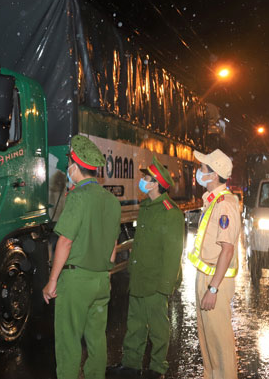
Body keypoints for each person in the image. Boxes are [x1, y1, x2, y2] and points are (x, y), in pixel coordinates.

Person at [43, 135, 122, 379]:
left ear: (75, 167)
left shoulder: (77, 197)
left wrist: (52, 281)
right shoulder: (111, 201)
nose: (68, 169)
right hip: (100, 280)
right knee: (97, 339)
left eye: (69, 165)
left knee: (69, 342)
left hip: (76, 282)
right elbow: (113, 243)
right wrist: (107, 273)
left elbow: (65, 241)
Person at [108, 156, 184, 379]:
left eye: (146, 178)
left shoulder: (170, 212)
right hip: (140, 278)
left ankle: (157, 368)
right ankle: (131, 365)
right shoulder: (147, 207)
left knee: (159, 329)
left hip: (156, 281)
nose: (142, 181)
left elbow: (173, 253)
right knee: (135, 325)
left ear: (156, 183)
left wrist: (166, 285)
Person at [189, 149, 240, 379]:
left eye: (202, 169)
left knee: (220, 343)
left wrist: (213, 288)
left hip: (215, 282)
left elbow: (227, 249)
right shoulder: (213, 201)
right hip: (207, 276)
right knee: (207, 340)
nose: (198, 172)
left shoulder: (225, 204)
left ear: (213, 175)